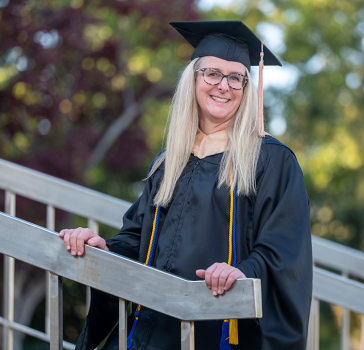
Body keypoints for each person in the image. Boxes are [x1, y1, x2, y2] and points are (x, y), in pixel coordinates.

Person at [59, 20, 313, 350]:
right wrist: (102, 248)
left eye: (236, 77)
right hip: (148, 331)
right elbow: (138, 238)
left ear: (247, 88)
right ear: (193, 79)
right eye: (212, 73)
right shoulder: (169, 161)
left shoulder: (271, 161)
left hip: (216, 334)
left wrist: (242, 271)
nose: (224, 85)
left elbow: (284, 249)